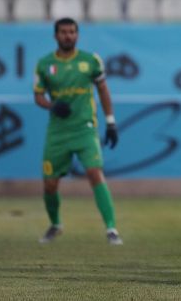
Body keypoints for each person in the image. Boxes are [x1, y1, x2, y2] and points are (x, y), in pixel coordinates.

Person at [33, 18, 121, 245]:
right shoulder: (44, 64)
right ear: (56, 35)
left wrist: (111, 121)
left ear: (77, 35)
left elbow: (103, 89)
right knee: (50, 183)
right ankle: (55, 224)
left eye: (72, 32)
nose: (68, 36)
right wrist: (52, 106)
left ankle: (111, 228)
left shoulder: (90, 61)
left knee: (94, 172)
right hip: (58, 132)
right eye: (63, 32)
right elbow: (38, 96)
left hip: (85, 129)